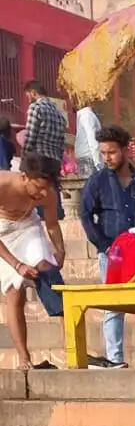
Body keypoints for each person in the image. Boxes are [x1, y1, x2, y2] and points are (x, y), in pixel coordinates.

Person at [79, 125, 135, 370]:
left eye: (112, 152)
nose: (107, 158)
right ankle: (115, 358)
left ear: (126, 151)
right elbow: (85, 215)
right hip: (113, 255)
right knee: (113, 306)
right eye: (103, 153)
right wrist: (104, 246)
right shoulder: (97, 181)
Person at [0, 154, 65, 370]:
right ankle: (24, 358)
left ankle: (74, 341)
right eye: (38, 188)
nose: (42, 194)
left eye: (46, 188)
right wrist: (17, 265)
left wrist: (60, 249)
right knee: (14, 293)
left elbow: (52, 224)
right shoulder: (2, 184)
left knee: (47, 269)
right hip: (3, 234)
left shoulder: (48, 192)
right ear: (24, 177)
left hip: (28, 226)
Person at [21, 80, 66, 173]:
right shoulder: (59, 113)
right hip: (55, 162)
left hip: (39, 160)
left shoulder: (35, 107)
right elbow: (62, 142)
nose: (28, 99)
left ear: (33, 93)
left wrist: (24, 157)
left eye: (27, 95)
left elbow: (30, 136)